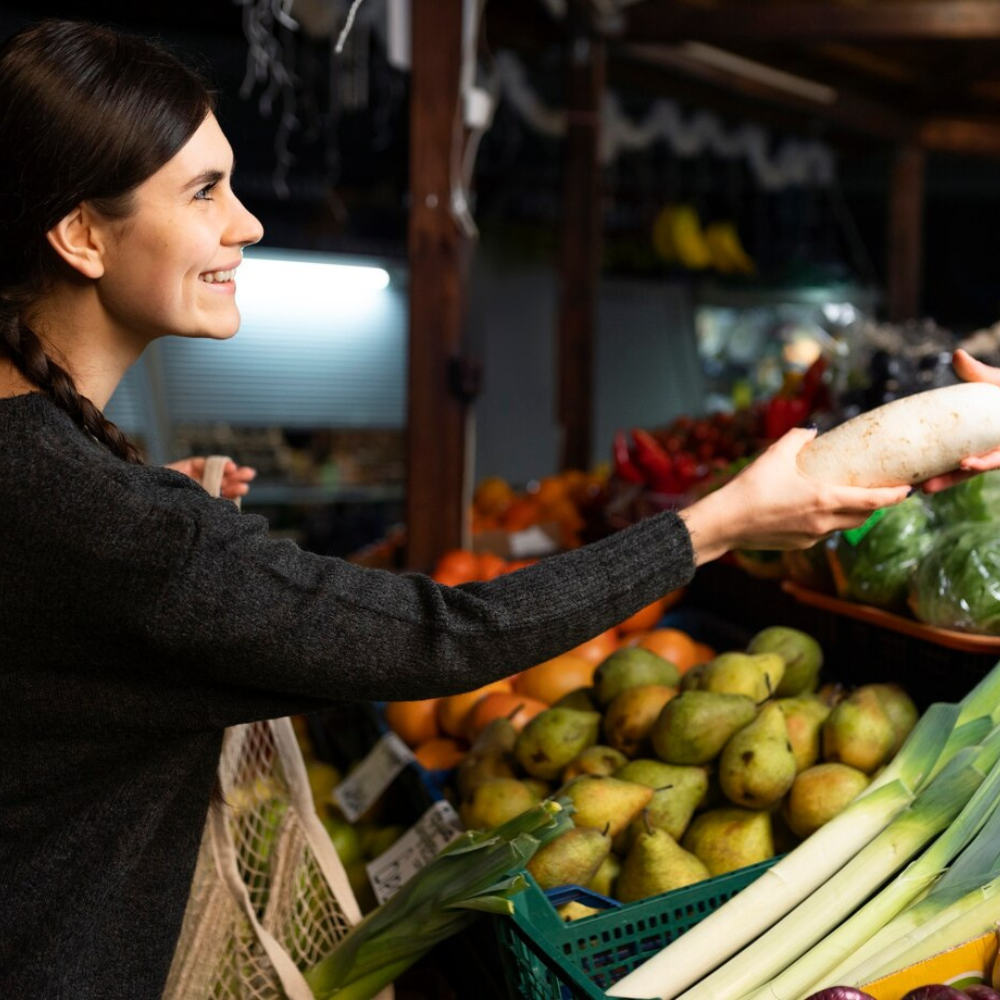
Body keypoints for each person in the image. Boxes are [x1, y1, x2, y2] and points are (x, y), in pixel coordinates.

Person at [0, 17, 989, 1000]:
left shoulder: (57, 470)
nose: (248, 223)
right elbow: (441, 635)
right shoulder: (99, 516)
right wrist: (714, 524)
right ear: (82, 233)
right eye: (205, 190)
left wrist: (158, 526)